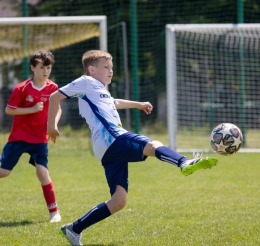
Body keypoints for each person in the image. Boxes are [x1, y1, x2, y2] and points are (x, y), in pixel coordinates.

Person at [48, 50, 218, 245]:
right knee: (153, 145)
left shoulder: (99, 90)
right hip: (113, 138)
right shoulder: (86, 81)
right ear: (92, 69)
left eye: (111, 68)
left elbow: (114, 102)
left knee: (119, 201)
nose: (110, 71)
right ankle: (184, 162)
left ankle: (73, 229)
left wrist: (139, 104)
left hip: (106, 148)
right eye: (106, 67)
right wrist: (51, 126)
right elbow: (55, 96)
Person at [0, 50, 62, 223]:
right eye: (42, 67)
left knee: (43, 173)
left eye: (48, 68)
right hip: (19, 137)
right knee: (3, 172)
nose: (45, 71)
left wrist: (53, 125)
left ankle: (54, 213)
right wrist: (32, 109)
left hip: (40, 138)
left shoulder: (53, 88)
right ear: (33, 68)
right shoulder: (22, 88)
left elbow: (57, 109)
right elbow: (9, 109)